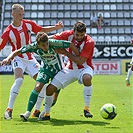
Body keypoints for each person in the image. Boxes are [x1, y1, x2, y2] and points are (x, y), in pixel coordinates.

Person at [0, 4, 64, 119]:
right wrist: (7, 58)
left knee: (42, 84)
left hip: (30, 58)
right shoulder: (8, 32)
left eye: (22, 14)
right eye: (19, 14)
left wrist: (56, 27)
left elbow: (42, 30)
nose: (21, 16)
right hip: (17, 57)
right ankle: (9, 110)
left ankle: (37, 111)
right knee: (19, 80)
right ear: (13, 14)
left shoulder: (28, 24)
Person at [1, 32, 79, 121]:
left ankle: (45, 112)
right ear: (38, 44)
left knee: (53, 98)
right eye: (43, 45)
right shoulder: (34, 46)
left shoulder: (54, 43)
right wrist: (8, 58)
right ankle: (27, 112)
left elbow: (70, 44)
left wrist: (78, 56)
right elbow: (18, 51)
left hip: (59, 72)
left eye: (47, 44)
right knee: (38, 87)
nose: (46, 47)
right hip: (46, 69)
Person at [38, 21, 94, 120]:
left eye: (82, 35)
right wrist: (37, 41)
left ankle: (87, 108)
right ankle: (46, 114)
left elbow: (80, 61)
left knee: (87, 78)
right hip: (69, 68)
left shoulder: (89, 42)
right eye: (77, 35)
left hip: (84, 68)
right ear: (73, 32)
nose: (79, 37)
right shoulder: (68, 34)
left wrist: (65, 52)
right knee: (50, 89)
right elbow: (51, 38)